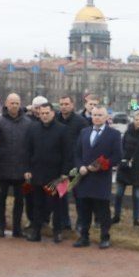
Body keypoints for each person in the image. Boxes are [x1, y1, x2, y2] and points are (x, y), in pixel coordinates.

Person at [71, 104, 122, 248]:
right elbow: (77, 154)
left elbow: (117, 156)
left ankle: (105, 237)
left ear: (106, 117)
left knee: (102, 211)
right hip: (84, 178)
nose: (97, 118)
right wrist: (80, 166)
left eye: (100, 115)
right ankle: (84, 237)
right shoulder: (84, 132)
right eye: (94, 115)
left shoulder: (114, 134)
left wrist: (100, 166)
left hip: (101, 179)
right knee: (84, 210)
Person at [24, 100, 75, 243]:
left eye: (47, 113)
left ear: (53, 113)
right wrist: (27, 169)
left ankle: (57, 232)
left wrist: (65, 173)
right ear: (38, 114)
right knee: (37, 204)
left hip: (58, 174)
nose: (45, 116)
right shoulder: (33, 128)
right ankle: (36, 231)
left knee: (57, 205)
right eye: (42, 113)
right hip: (37, 173)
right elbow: (28, 150)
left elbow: (68, 154)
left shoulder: (63, 130)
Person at [0, 93, 32, 238]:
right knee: (0, 199)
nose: (14, 106)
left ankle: (17, 228)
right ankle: (0, 227)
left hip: (21, 169)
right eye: (12, 103)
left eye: (17, 103)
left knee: (19, 201)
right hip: (2, 167)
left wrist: (28, 167)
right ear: (6, 104)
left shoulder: (28, 123)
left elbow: (30, 147)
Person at [56, 94, 89, 232]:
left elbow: (86, 143)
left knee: (78, 196)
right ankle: (65, 222)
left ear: (72, 105)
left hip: (75, 166)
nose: (64, 107)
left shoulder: (81, 122)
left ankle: (81, 222)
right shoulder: (56, 119)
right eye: (62, 104)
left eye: (66, 104)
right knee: (61, 195)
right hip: (60, 166)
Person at [112, 109, 139, 226]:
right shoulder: (127, 133)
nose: (138, 122)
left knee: (137, 195)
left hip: (138, 170)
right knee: (119, 194)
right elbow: (121, 148)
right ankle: (116, 216)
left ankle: (136, 219)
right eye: (136, 119)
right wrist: (121, 160)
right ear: (133, 120)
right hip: (124, 168)